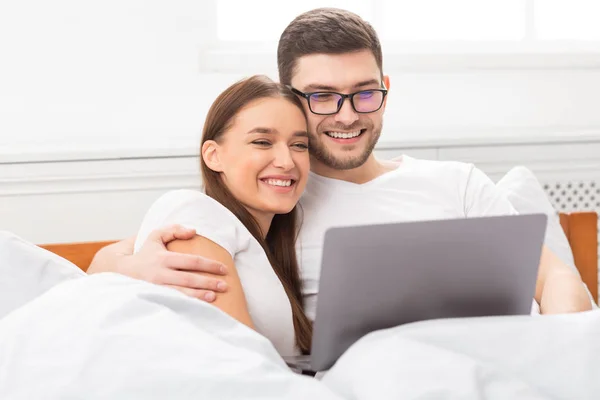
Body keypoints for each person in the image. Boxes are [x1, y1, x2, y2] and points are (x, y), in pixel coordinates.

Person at [89, 8, 592, 315]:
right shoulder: (272, 194)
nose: (347, 116)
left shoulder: (458, 183)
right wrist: (128, 267)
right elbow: (105, 261)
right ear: (289, 98)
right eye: (322, 96)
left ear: (385, 91)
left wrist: (561, 343)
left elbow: (554, 277)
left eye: (363, 94)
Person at [117, 74, 313, 356]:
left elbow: (111, 257)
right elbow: (234, 361)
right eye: (262, 142)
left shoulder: (271, 237)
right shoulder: (193, 213)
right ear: (213, 155)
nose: (286, 161)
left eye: (299, 145)